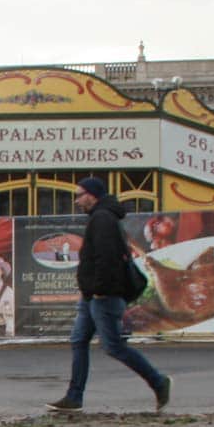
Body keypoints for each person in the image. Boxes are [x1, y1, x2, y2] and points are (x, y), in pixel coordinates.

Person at [47, 177, 171, 413]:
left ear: (92, 195)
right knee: (79, 340)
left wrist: (100, 291)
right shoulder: (101, 217)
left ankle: (158, 381)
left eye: (79, 195)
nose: (76, 200)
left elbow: (107, 260)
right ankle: (74, 397)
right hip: (93, 294)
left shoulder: (102, 219)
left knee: (113, 346)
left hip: (102, 294)